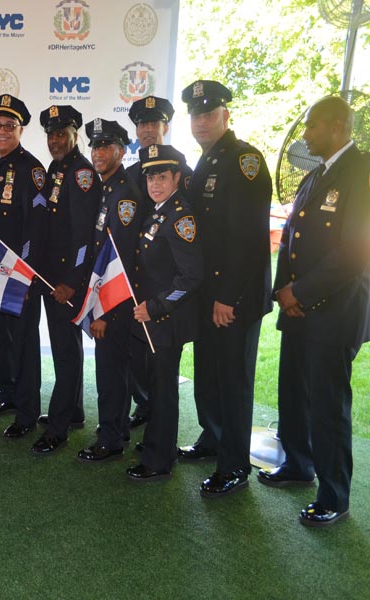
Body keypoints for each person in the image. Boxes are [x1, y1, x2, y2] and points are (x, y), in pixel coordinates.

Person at [261, 96, 370, 527]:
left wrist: (299, 293)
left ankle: (334, 495)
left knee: (327, 406)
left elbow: (353, 254)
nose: (305, 135)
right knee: (293, 394)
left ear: (338, 125)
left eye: (312, 126)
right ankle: (298, 465)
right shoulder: (317, 174)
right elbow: (291, 235)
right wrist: (282, 290)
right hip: (300, 310)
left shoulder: (361, 172)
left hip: (335, 312)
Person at [180, 80, 272, 497]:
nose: (201, 121)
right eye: (196, 115)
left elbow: (249, 238)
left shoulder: (244, 160)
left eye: (208, 113)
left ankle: (234, 466)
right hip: (208, 296)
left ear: (225, 116)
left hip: (230, 299)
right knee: (209, 377)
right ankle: (213, 438)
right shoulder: (209, 160)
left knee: (232, 382)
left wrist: (226, 297)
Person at [126, 144, 203, 481]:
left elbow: (191, 276)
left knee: (164, 389)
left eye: (162, 176)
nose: (155, 183)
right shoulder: (158, 211)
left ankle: (159, 461)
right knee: (156, 388)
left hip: (167, 320)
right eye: (150, 177)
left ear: (177, 177)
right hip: (152, 320)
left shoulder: (180, 217)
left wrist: (156, 308)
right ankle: (159, 443)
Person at [31, 104, 100, 455]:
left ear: (75, 135)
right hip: (51, 276)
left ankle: (58, 429)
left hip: (65, 281)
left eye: (62, 133)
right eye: (51, 134)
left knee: (66, 353)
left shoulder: (81, 173)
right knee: (67, 346)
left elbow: (84, 235)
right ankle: (73, 412)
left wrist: (72, 281)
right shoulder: (58, 168)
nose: (55, 140)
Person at [76, 118, 145, 463]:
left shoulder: (124, 196)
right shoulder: (109, 187)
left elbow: (119, 262)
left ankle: (110, 440)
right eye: (95, 146)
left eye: (106, 146)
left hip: (115, 303)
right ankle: (117, 430)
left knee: (111, 372)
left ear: (121, 150)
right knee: (117, 370)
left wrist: (103, 312)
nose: (99, 152)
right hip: (111, 300)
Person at [0, 94, 46, 434]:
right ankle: (7, 392)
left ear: (20, 130)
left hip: (19, 272)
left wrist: (28, 274)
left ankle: (28, 412)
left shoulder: (30, 169)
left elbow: (35, 225)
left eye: (10, 126)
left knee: (23, 341)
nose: (2, 131)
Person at [124, 95, 192, 431]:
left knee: (162, 376)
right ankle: (145, 410)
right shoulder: (132, 173)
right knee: (140, 365)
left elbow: (189, 261)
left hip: (163, 299)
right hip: (139, 291)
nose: (149, 129)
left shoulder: (181, 170)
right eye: (143, 124)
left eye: (155, 123)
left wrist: (160, 303)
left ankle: (160, 444)